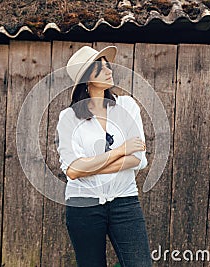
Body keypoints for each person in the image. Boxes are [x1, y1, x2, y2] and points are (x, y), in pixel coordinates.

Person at [56, 45, 152, 267]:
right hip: (83, 206)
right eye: (100, 69)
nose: (109, 71)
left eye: (108, 67)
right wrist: (119, 151)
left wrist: (89, 166)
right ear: (87, 80)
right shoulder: (69, 118)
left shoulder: (127, 106)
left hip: (125, 202)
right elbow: (72, 170)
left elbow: (138, 159)